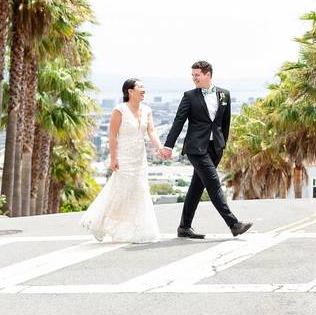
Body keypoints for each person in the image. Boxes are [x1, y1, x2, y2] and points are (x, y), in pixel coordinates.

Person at [163, 60, 252, 239]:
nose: (194, 78)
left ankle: (184, 227)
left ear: (208, 75)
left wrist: (222, 144)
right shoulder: (189, 96)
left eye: (197, 75)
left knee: (196, 187)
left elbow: (225, 123)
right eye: (193, 75)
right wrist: (168, 145)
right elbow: (178, 121)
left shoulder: (224, 95)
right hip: (196, 148)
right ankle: (233, 224)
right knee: (213, 184)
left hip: (215, 148)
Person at [80, 78, 166, 243]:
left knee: (139, 191)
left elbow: (152, 132)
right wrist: (113, 158)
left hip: (140, 159)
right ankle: (100, 223)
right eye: (140, 87)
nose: (144, 90)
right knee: (120, 192)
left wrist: (160, 148)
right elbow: (112, 135)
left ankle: (138, 230)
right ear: (130, 91)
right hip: (124, 158)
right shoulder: (119, 110)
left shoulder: (147, 110)